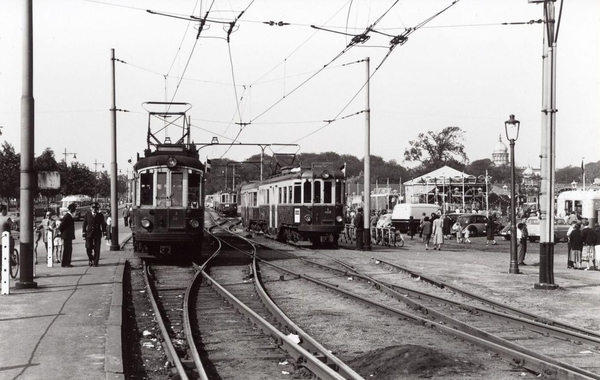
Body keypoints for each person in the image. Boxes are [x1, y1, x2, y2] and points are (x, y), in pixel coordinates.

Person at [83, 202, 107, 267]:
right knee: (88, 248)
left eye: (96, 208)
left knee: (97, 248)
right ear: (91, 208)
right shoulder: (87, 215)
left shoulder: (100, 215)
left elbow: (103, 224)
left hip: (97, 234)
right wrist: (84, 233)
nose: (94, 209)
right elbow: (84, 225)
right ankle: (91, 259)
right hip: (89, 234)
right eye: (93, 208)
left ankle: (96, 262)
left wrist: (104, 232)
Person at [57, 203, 76, 267]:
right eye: (74, 209)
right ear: (71, 209)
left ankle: (66, 262)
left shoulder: (68, 216)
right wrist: (63, 233)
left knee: (68, 249)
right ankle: (66, 263)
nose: (74, 210)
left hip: (67, 235)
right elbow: (61, 226)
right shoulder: (67, 216)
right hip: (67, 235)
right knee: (67, 249)